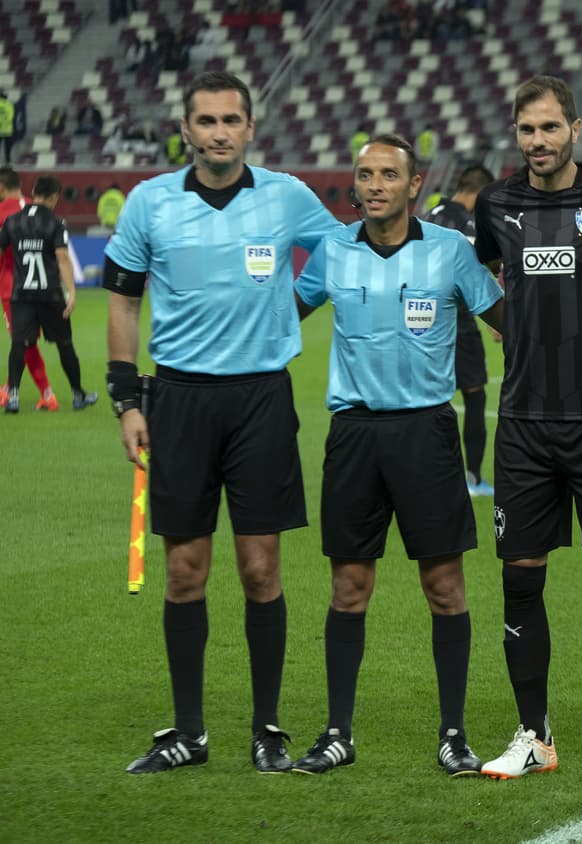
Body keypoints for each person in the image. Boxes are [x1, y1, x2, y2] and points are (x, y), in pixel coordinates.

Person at [103, 70, 342, 775]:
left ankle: (267, 728)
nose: (217, 132)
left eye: (229, 119)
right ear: (186, 128)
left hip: (261, 400)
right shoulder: (150, 202)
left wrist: (287, 309)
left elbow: (339, 254)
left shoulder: (286, 195)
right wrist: (127, 400)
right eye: (204, 120)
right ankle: (188, 731)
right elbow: (121, 300)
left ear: (249, 126)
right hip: (177, 400)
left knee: (261, 567)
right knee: (184, 570)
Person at [291, 134, 504, 777]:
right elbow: (279, 319)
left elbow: (509, 322)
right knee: (349, 586)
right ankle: (337, 732)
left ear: (415, 186)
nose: (375, 184)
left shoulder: (449, 253)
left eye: (389, 174)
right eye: (364, 174)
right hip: (354, 435)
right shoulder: (332, 253)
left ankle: (453, 733)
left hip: (426, 435)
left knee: (444, 588)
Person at [472, 75, 582, 783]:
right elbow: (480, 271)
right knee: (520, 580)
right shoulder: (498, 204)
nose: (538, 142)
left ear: (575, 129)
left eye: (550, 128)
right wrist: (508, 326)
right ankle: (533, 735)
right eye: (527, 130)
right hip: (522, 422)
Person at [0, 175, 99, 413]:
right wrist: (72, 292)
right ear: (54, 197)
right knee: (65, 345)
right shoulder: (56, 223)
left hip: (21, 295)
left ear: (33, 192)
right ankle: (78, 394)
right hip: (50, 295)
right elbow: (63, 259)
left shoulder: (12, 222)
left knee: (19, 344)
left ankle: (12, 395)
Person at [427, 163, 497, 496]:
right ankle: (472, 478)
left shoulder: (427, 215)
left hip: (420, 320)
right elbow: (483, 269)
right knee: (475, 395)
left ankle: (425, 473)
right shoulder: (466, 226)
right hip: (456, 319)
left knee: (426, 400)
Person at [0, 167, 55, 410]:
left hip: (12, 286)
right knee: (26, 341)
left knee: (21, 341)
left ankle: (43, 393)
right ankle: (18, 390)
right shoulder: (37, 207)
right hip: (41, 284)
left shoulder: (2, 213)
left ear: (1, 187)